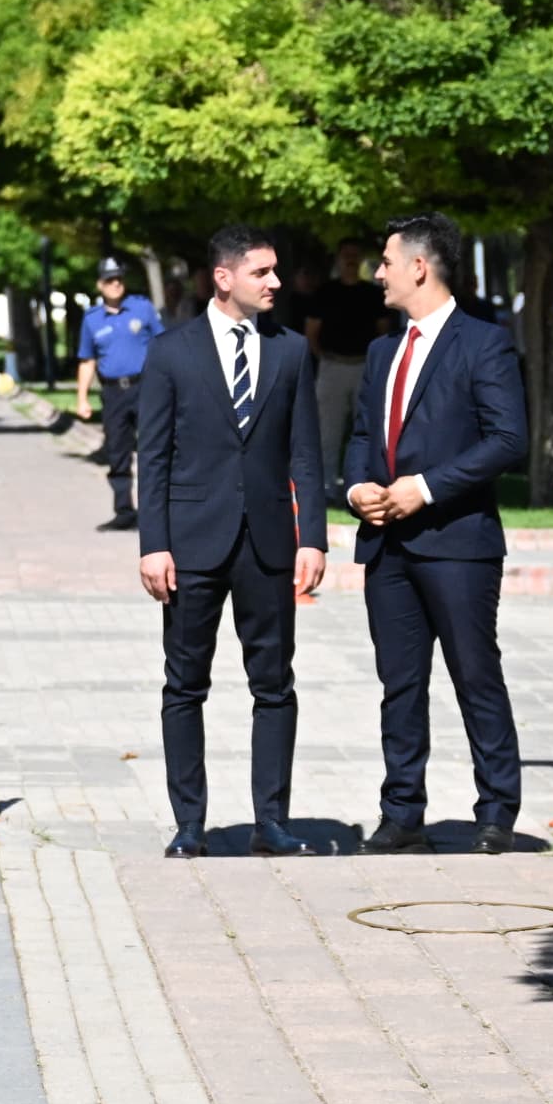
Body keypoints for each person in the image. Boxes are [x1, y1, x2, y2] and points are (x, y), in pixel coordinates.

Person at [135, 226, 331, 856]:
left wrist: (314, 538)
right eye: (262, 272)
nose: (275, 282)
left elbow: (306, 452)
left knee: (273, 685)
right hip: (190, 544)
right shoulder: (172, 352)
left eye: (276, 272)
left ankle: (270, 821)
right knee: (185, 684)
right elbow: (154, 456)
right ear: (225, 277)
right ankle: (190, 825)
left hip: (270, 544)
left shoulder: (292, 351)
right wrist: (153, 543)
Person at [344, 214, 531, 854]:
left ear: (419, 267)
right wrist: (356, 489)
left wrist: (423, 488)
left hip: (458, 542)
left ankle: (497, 812)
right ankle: (401, 813)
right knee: (399, 684)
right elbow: (364, 436)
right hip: (387, 546)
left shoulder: (485, 343)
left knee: (475, 675)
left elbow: (508, 439)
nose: (378, 273)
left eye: (386, 261)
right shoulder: (380, 351)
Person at [76, 259, 162, 530]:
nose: (116, 284)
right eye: (110, 279)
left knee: (154, 448)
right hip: (113, 393)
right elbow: (87, 360)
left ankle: (155, 510)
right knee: (118, 452)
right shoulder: (92, 320)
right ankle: (124, 510)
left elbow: (164, 346)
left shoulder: (142, 308)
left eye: (119, 279)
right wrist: (82, 398)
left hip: (146, 388)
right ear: (100, 284)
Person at [308, 240, 386, 483]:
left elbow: (383, 332)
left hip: (365, 367)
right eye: (346, 255)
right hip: (332, 366)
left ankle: (365, 482)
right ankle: (326, 486)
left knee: (368, 430)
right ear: (339, 259)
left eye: (355, 254)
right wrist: (324, 359)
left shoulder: (374, 294)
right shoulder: (324, 292)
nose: (350, 259)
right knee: (326, 432)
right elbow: (311, 332)